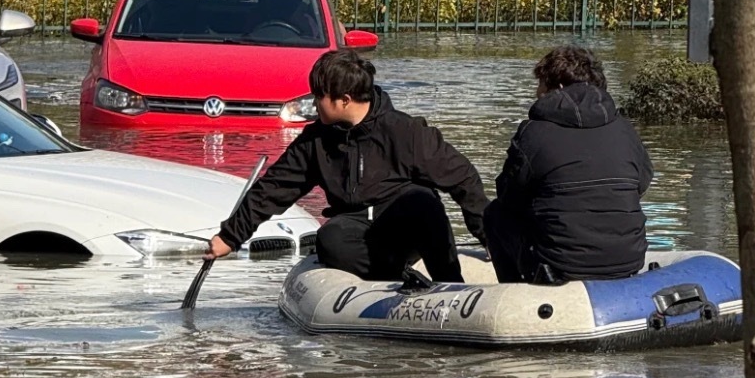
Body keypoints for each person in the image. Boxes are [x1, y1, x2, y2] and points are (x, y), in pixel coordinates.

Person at [208, 47, 488, 284]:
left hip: (405, 226)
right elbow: (273, 188)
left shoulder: (407, 132)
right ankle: (397, 278)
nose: (314, 103)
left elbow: (463, 178)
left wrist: (487, 237)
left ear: (344, 100)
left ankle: (450, 285)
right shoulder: (315, 141)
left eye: (319, 96)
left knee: (427, 205)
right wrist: (231, 236)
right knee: (329, 237)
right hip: (356, 229)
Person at [483, 45, 653, 284]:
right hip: (627, 260)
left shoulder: (534, 132)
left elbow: (509, 196)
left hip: (561, 265)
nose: (537, 92)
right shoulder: (625, 129)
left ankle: (516, 296)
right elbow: (642, 184)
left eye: (540, 84)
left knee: (495, 214)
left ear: (558, 87)